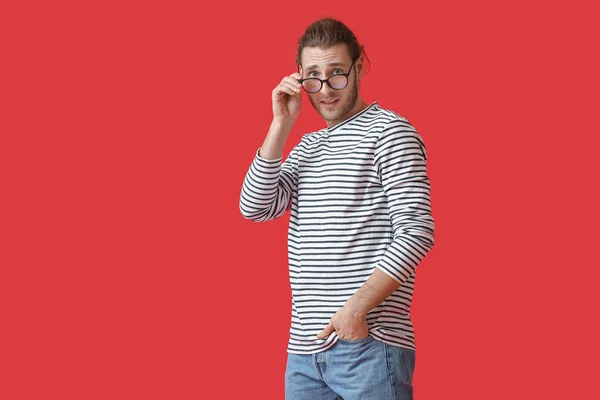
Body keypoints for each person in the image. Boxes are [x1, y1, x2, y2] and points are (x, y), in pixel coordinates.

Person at [239, 17, 435, 400]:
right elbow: (255, 207)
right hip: (304, 354)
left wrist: (355, 311)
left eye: (337, 74)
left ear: (359, 65)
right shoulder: (308, 147)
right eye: (313, 76)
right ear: (298, 77)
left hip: (367, 346)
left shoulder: (389, 132)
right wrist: (281, 123)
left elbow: (416, 229)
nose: (326, 90)